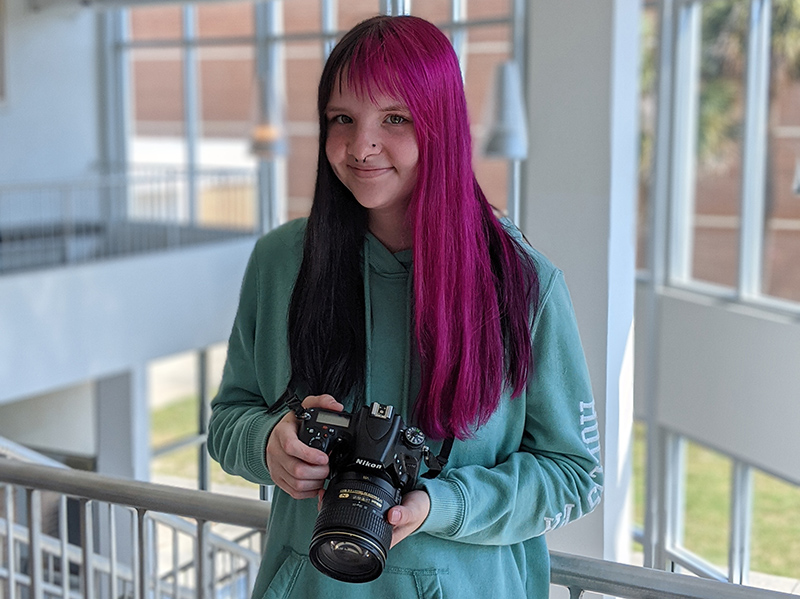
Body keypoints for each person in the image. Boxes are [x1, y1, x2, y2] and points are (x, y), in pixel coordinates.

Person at [208, 14, 603, 598]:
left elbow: (574, 476)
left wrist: (441, 504)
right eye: (342, 119)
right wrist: (268, 444)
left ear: (440, 127)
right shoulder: (280, 263)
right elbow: (227, 420)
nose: (362, 146)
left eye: (394, 118)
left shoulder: (523, 284)